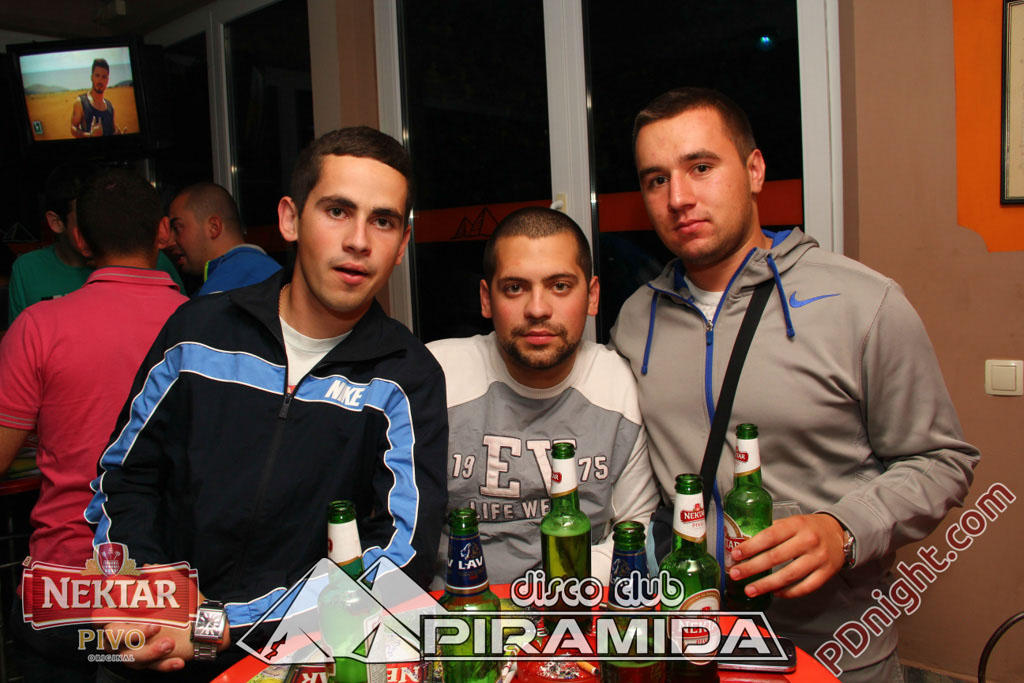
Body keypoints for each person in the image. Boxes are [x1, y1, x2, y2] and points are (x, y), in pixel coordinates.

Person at [610, 87, 979, 681]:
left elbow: (943, 460)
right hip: (693, 646)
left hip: (834, 650)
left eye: (701, 167)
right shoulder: (634, 321)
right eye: (657, 179)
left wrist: (844, 530)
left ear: (755, 171)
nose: (678, 198)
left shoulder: (863, 303)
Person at [86, 126, 448, 679]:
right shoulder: (198, 332)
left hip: (295, 660)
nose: (358, 240)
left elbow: (402, 555)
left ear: (401, 246)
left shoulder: (407, 376)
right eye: (337, 211)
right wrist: (147, 591)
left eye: (383, 221)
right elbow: (124, 477)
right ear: (289, 219)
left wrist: (220, 624)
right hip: (152, 643)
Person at [0, 168, 187, 681]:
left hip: (65, 590)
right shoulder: (207, 329)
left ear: (80, 238)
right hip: (167, 590)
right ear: (162, 232)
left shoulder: (38, 327)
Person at [427, 207, 659, 587]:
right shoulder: (436, 378)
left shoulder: (621, 389)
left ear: (592, 296)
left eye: (560, 286)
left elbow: (635, 535)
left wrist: (543, 597)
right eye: (515, 288)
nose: (537, 309)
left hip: (577, 603)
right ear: (486, 299)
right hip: (456, 607)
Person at [7, 162, 185, 325]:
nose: (100, 225)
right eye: (86, 218)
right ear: (56, 222)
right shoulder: (28, 269)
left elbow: (184, 324)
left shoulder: (147, 257)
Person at [166, 182, 281, 296]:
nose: (170, 242)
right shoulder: (269, 272)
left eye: (177, 228)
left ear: (213, 227)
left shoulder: (222, 292)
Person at [70, 58, 123, 137]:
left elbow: (112, 130)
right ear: (92, 77)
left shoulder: (110, 107)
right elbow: (73, 127)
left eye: (104, 77)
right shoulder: (80, 102)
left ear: (107, 80)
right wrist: (90, 136)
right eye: (97, 75)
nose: (100, 80)